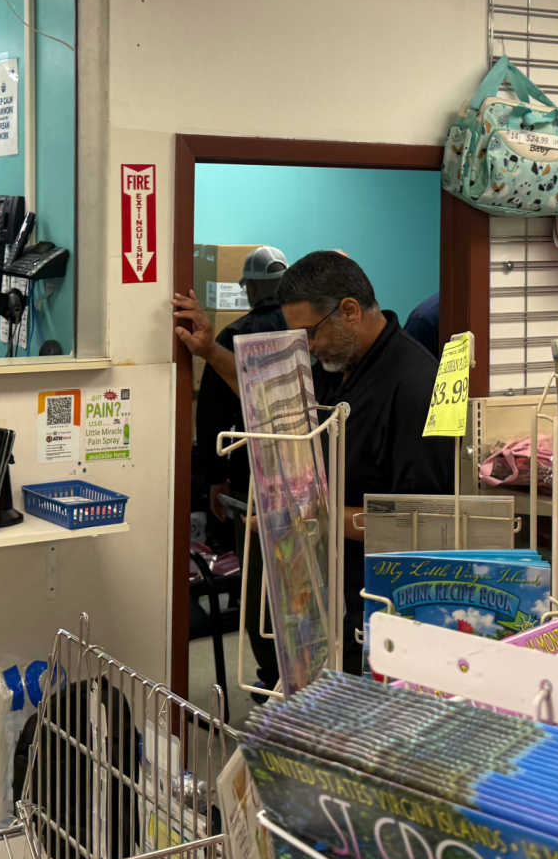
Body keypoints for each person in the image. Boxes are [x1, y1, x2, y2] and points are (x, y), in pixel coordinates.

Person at [179, 249, 452, 681]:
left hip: (386, 606)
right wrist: (211, 351)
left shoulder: (417, 387)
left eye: (310, 333)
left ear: (349, 311)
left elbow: (422, 521)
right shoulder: (339, 366)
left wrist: (310, 517)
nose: (307, 346)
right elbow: (272, 401)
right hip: (329, 595)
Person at [178, 246, 289, 524]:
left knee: (251, 541)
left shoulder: (234, 336)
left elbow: (212, 415)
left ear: (251, 287)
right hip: (302, 467)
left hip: (249, 468)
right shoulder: (305, 330)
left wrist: (214, 478)